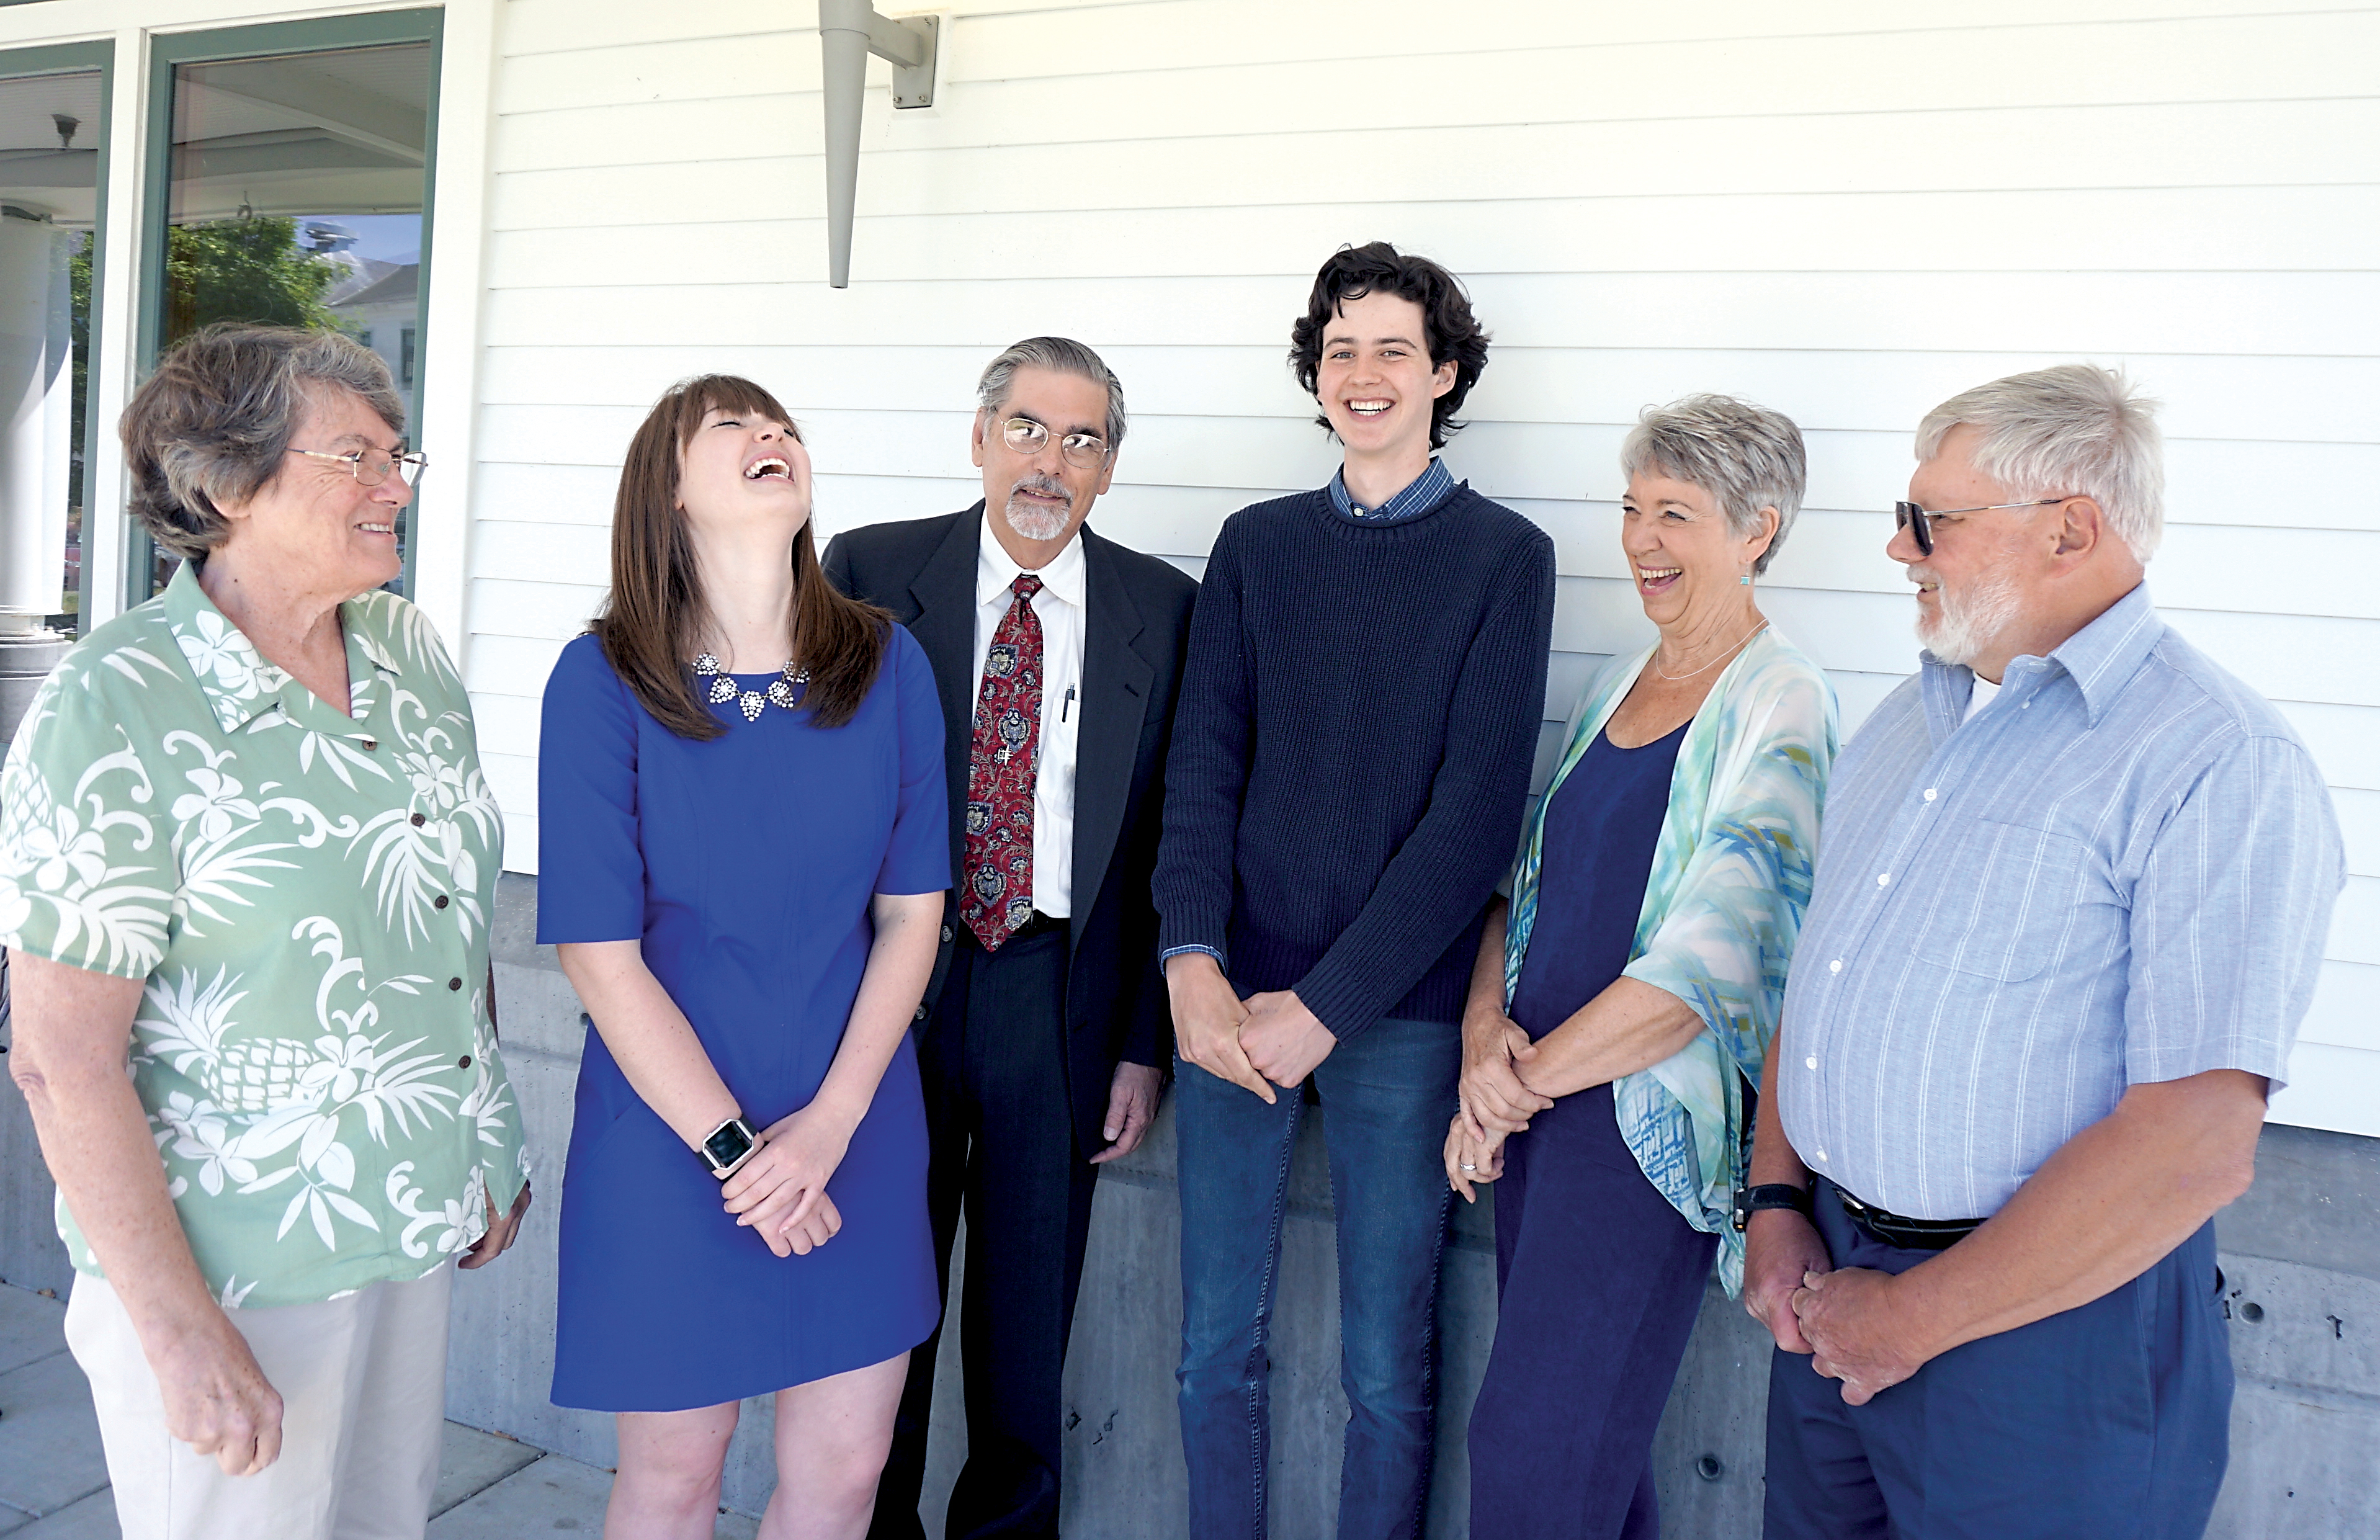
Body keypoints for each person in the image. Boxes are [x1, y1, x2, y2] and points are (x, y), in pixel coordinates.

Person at [1747, 365, 2345, 1540]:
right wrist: (1775, 1196)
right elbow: (1822, 978)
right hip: (1834, 1287)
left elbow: (2194, 1145)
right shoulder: (1912, 716)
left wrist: (1914, 1319)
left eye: (1932, 521)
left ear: (2071, 528)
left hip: (2050, 1334)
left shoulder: (2216, 760)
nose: (1897, 549)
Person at [1, 323, 532, 1540]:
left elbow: (446, 905)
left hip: (407, 1220)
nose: (394, 484)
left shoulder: (407, 652)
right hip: (233, 1262)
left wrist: (484, 1129)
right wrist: (178, 1328)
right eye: (356, 456)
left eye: (400, 455)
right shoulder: (116, 703)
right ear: (224, 483)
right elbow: (62, 1055)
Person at [1153, 242, 1557, 1539]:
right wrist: (1190, 959)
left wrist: (1323, 1005)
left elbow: (1472, 822)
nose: (1364, 373)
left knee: (1384, 1366)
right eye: (1340, 349)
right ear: (1314, 376)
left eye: (1394, 348)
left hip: (1401, 1012)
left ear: (1445, 373)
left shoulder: (1505, 557)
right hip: (1231, 998)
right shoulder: (1257, 548)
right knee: (1216, 1340)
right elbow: (1202, 765)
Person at [537, 375, 949, 1539]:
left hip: (853, 1126)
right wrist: (738, 1154)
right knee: (675, 1473)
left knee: (848, 1470)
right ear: (667, 490)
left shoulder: (889, 665)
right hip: (668, 1141)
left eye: (784, 425)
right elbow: (597, 954)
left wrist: (826, 1126)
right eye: (735, 427)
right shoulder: (602, 680)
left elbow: (912, 918)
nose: (774, 436)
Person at [821, 337, 1197, 1540]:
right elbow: (816, 802)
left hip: (1060, 991)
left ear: (1110, 466)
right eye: (1029, 428)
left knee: (1027, 1328)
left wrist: (1144, 1041)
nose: (1051, 460)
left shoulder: (1163, 609)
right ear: (979, 436)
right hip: (898, 989)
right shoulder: (870, 573)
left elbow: (1163, 848)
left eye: (1082, 439)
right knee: (885, 1304)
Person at [1448, 395, 1836, 1539]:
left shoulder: (1784, 702)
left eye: (1677, 513)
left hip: (1636, 1138)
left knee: (1530, 1458)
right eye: (1632, 509)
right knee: (1591, 1469)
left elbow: (1702, 973)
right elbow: (1521, 892)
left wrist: (1511, 1088)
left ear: (1758, 528)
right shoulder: (1615, 680)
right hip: (1538, 1120)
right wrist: (1482, 1042)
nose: (1641, 541)